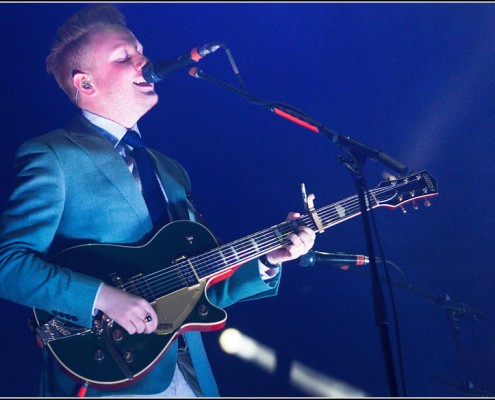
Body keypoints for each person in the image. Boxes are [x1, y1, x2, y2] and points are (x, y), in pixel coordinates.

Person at [0, 4, 315, 398]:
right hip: (107, 375)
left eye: (140, 51)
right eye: (124, 56)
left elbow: (202, 289)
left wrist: (269, 260)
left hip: (189, 374)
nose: (143, 61)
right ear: (85, 84)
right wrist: (103, 297)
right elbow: (8, 266)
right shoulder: (52, 155)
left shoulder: (170, 170)